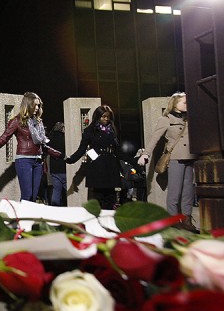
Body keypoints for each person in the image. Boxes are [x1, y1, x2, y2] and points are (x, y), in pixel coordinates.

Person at [137, 92, 198, 232]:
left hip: (190, 156)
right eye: (184, 102)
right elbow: (154, 138)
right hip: (175, 157)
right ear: (174, 103)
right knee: (174, 192)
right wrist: (145, 154)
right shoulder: (166, 119)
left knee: (188, 191)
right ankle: (173, 219)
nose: (187, 105)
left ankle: (187, 220)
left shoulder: (190, 118)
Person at [0, 92, 62, 202]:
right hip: (24, 160)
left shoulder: (38, 122)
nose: (37, 108)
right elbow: (4, 138)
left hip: (38, 162)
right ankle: (21, 219)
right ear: (27, 105)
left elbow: (43, 145)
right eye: (34, 105)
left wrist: (60, 155)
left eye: (38, 105)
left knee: (34, 196)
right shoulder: (16, 121)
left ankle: (29, 219)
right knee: (27, 196)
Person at [65, 105, 122, 210]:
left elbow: (118, 151)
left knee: (110, 199)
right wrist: (71, 159)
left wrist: (133, 161)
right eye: (103, 116)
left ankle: (108, 224)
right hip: (97, 168)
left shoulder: (112, 130)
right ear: (97, 116)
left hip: (110, 167)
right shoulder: (90, 130)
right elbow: (82, 149)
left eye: (108, 117)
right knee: (96, 199)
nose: (106, 119)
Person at [48, 121, 67, 206]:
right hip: (64, 167)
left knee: (56, 191)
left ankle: (54, 209)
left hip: (54, 169)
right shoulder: (65, 139)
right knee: (68, 190)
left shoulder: (50, 138)